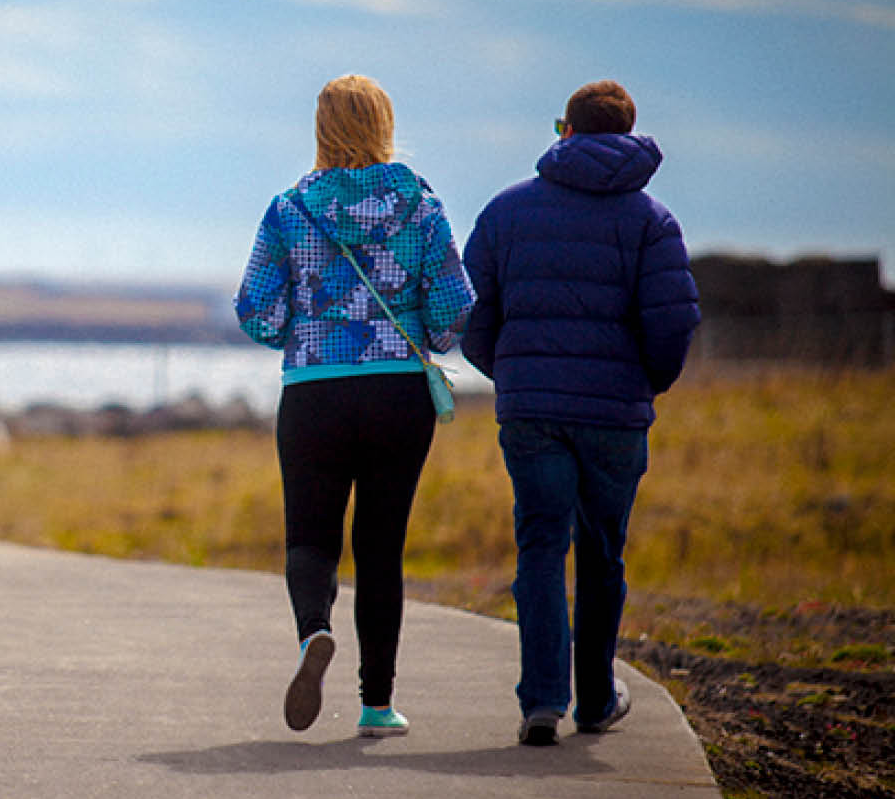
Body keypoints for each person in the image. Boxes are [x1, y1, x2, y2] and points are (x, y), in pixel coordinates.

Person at [460, 79, 700, 746]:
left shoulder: (507, 213)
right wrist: (642, 385)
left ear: (564, 130)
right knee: (603, 554)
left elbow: (469, 312)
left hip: (532, 412)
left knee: (540, 545)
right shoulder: (652, 222)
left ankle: (542, 700)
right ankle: (596, 699)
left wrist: (511, 372)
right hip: (615, 417)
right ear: (627, 135)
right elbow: (674, 323)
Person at [236, 75, 474, 736]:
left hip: (315, 391)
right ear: (383, 125)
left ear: (322, 129)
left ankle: (315, 632)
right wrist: (425, 335)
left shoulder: (290, 207)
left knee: (311, 535)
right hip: (399, 393)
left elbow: (254, 310)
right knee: (380, 546)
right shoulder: (422, 206)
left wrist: (307, 330)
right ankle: (377, 704)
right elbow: (455, 307)